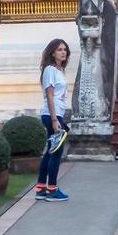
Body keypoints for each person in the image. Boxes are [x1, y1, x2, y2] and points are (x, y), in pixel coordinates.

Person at [35, 39, 71, 202]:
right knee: (56, 153)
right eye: (59, 50)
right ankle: (52, 190)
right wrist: (56, 119)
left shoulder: (59, 70)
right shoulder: (50, 70)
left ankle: (41, 188)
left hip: (55, 114)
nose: (63, 52)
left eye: (64, 49)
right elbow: (49, 95)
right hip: (52, 115)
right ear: (52, 53)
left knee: (50, 151)